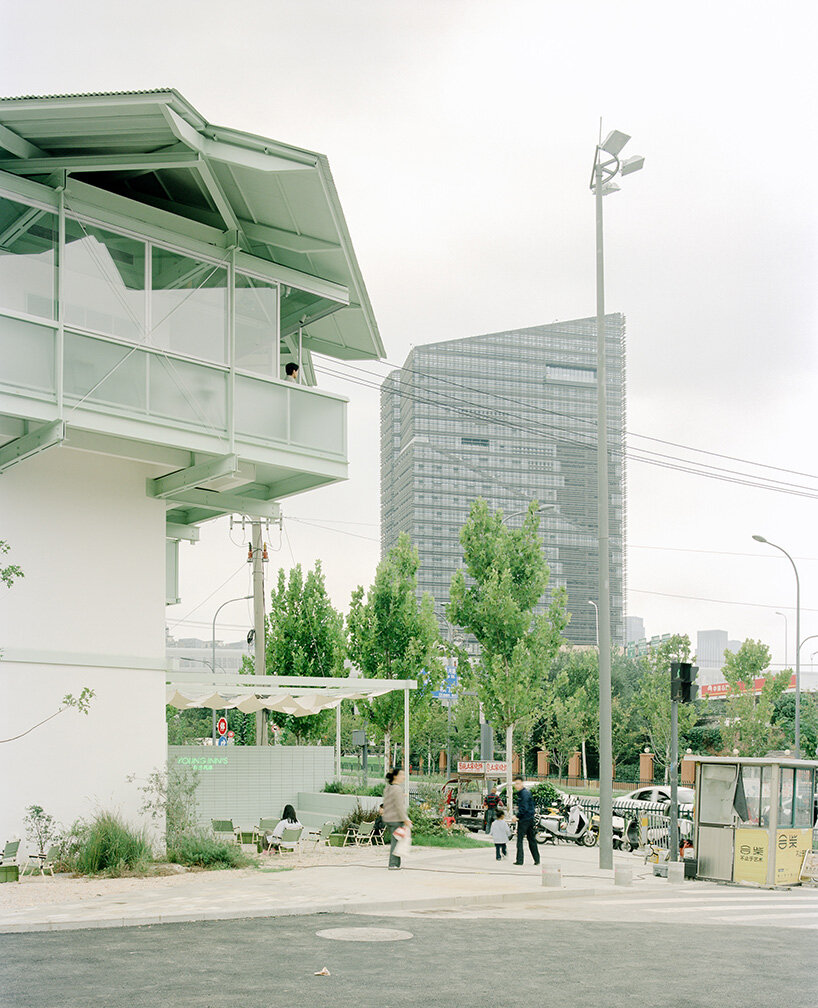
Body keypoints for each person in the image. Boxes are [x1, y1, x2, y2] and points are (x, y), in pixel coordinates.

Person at [382, 768, 411, 870]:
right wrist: (405, 819)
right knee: (397, 841)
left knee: (397, 840)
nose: (404, 777)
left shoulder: (388, 788)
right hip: (395, 819)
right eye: (402, 775)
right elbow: (399, 806)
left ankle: (396, 863)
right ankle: (393, 864)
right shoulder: (397, 789)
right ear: (395, 776)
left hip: (388, 818)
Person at [511, 776, 540, 866]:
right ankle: (537, 859)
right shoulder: (524, 793)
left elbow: (524, 808)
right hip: (529, 819)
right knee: (531, 839)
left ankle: (520, 860)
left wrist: (517, 816)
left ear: (522, 783)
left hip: (524, 820)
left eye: (518, 783)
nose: (517, 785)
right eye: (516, 784)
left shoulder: (524, 794)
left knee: (520, 840)